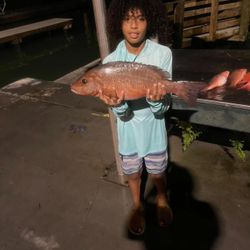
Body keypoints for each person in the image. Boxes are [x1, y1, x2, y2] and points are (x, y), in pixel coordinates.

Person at [99, 0, 173, 235]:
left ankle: (161, 199)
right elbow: (121, 114)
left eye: (141, 18)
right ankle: (137, 205)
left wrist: (155, 98)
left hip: (154, 129)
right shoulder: (108, 63)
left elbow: (162, 109)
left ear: (150, 20)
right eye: (127, 19)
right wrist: (118, 105)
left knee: (158, 171)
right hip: (128, 131)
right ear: (117, 23)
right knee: (132, 172)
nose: (134, 26)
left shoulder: (162, 54)